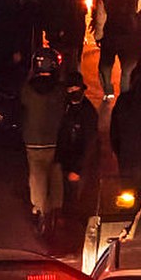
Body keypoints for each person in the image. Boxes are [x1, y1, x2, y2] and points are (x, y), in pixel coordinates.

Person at [20, 48, 66, 232]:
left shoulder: (27, 89)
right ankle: (56, 209)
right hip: (55, 140)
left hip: (33, 142)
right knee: (56, 173)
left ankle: (40, 210)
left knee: (37, 176)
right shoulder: (60, 90)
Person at [57, 73, 98, 213]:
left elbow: (90, 144)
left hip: (79, 164)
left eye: (76, 89)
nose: (73, 92)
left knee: (75, 199)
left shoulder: (88, 112)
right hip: (66, 160)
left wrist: (77, 169)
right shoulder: (65, 107)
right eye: (70, 90)